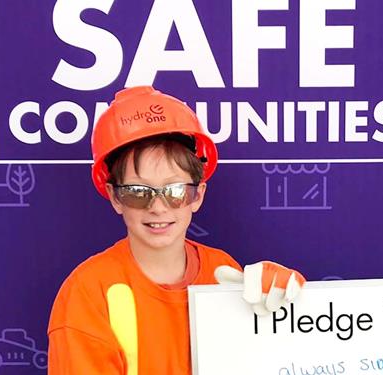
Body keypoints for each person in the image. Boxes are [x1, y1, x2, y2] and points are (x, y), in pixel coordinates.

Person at [47, 86, 305, 375]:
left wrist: (291, 314)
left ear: (198, 195)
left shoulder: (223, 272)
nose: (158, 207)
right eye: (137, 191)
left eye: (175, 190)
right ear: (115, 197)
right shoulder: (88, 292)